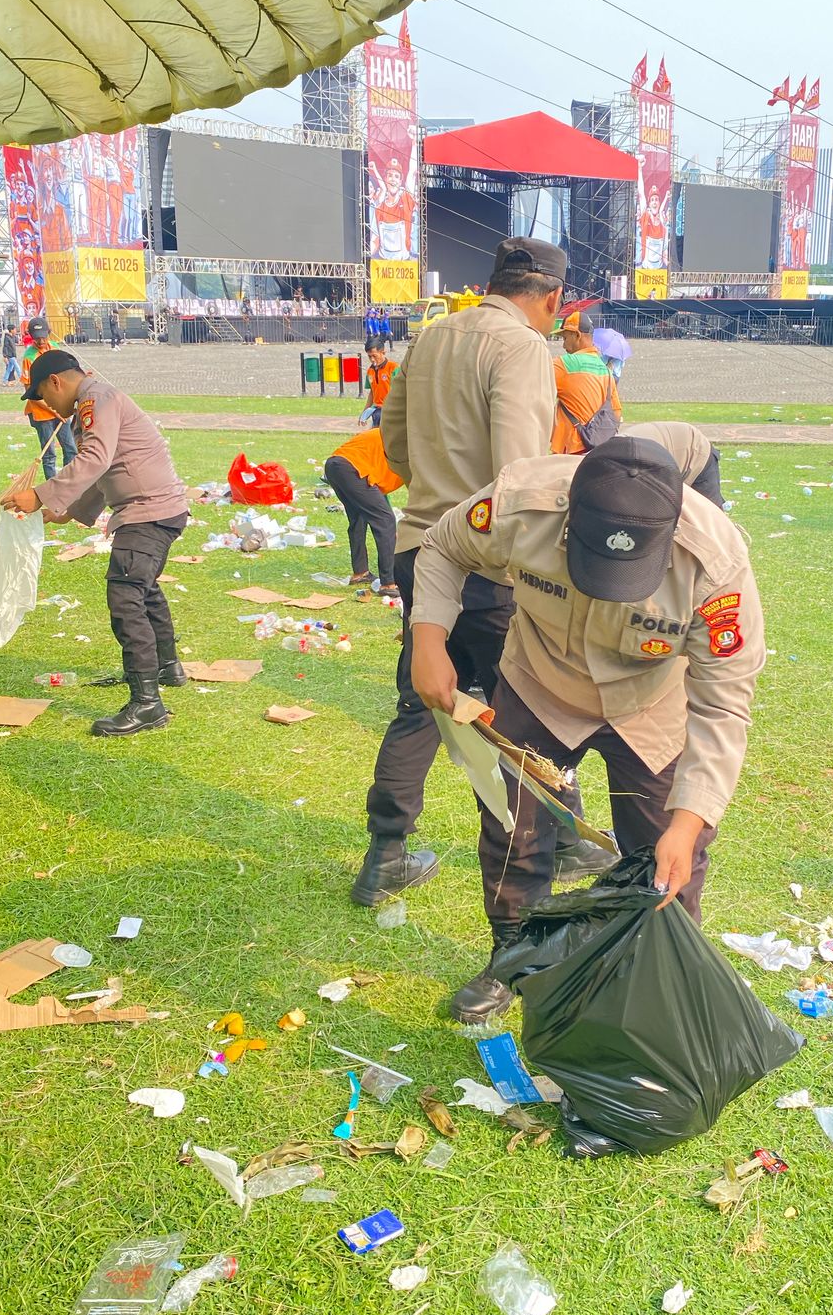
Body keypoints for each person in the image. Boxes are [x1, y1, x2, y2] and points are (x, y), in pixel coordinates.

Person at [409, 433, 764, 1022]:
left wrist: (689, 821)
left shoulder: (715, 565)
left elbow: (724, 706)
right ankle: (516, 958)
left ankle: (657, 976)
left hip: (649, 706)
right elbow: (443, 546)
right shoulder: (521, 502)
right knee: (513, 833)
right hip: (539, 683)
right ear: (569, 515)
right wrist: (428, 637)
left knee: (666, 857)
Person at [351, 235, 618, 905]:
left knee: (421, 702)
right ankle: (559, 842)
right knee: (530, 707)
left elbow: (395, 444)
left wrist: (438, 492)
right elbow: (520, 474)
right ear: (554, 299)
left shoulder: (430, 337)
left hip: (421, 545)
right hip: (485, 557)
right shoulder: (523, 346)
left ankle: (386, 853)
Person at [1, 350, 190, 735]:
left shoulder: (95, 399)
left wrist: (39, 494)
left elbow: (95, 458)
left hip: (148, 511)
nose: (47, 406)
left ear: (55, 382)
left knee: (126, 596)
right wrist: (67, 511)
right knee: (143, 589)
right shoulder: (96, 400)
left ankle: (147, 704)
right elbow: (108, 470)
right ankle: (167, 667)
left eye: (43, 396)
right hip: (156, 508)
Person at [324, 428, 402, 596]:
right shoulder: (408, 442)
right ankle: (388, 584)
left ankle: (360, 573)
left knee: (359, 517)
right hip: (352, 468)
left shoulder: (393, 433)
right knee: (386, 521)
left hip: (335, 465)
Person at [551, 311, 622, 455]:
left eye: (565, 338)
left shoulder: (563, 364)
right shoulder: (606, 371)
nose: (563, 345)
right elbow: (616, 413)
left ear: (577, 335)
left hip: (571, 451)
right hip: (599, 452)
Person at [22, 317, 77, 477]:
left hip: (60, 407)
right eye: (37, 338)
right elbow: (30, 392)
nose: (41, 341)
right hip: (42, 412)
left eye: (43, 337)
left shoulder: (55, 348)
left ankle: (67, 482)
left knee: (70, 448)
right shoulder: (29, 357)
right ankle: (51, 487)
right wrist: (54, 411)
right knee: (49, 454)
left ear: (49, 333)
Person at [361, 340, 396, 427]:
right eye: (369, 356)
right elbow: (372, 393)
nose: (372, 359)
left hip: (391, 411)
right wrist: (364, 414)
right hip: (376, 411)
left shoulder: (393, 368)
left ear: (383, 353)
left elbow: (401, 391)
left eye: (374, 356)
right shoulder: (370, 371)